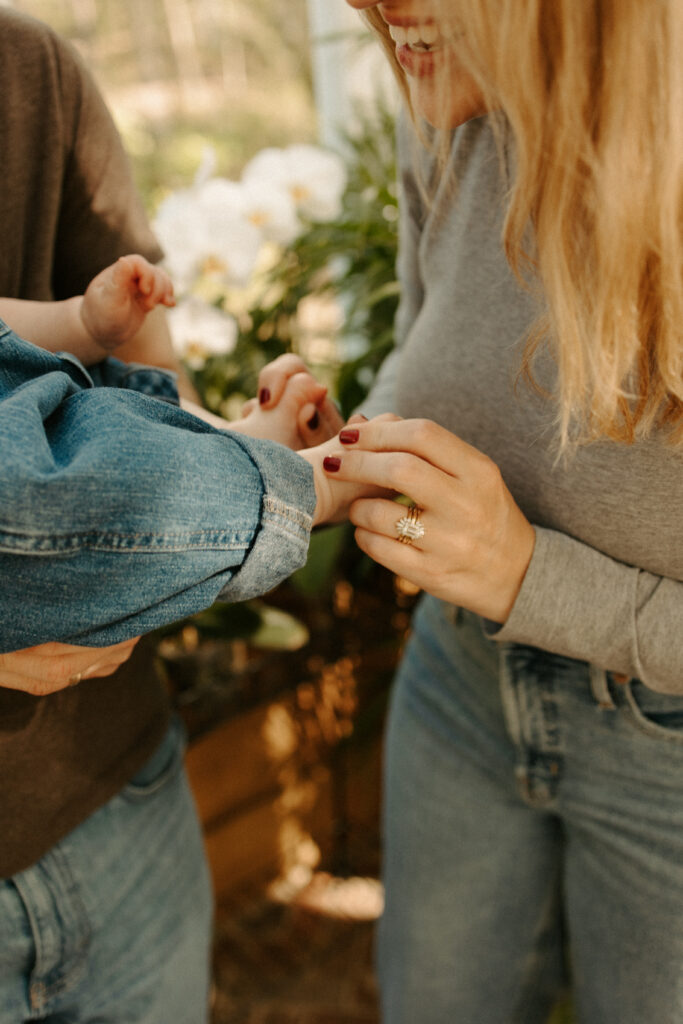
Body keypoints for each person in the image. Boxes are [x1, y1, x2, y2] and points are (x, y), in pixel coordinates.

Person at [259, 1, 683, 1020]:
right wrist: (340, 447)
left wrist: (528, 577)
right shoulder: (448, 105)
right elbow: (429, 334)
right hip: (456, 675)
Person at [0, 10, 346, 1023]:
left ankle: (272, 473)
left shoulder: (33, 73)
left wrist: (97, 326)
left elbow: (133, 398)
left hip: (111, 799)